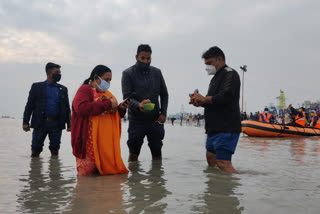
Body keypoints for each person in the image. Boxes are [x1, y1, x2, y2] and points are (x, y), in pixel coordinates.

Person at [189, 46, 241, 174]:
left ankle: (235, 188)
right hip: (213, 128)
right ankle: (215, 189)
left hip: (226, 127)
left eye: (209, 63)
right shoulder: (214, 79)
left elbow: (226, 96)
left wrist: (204, 99)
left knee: (223, 163)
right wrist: (199, 102)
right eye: (205, 64)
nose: (207, 67)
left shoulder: (230, 73)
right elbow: (212, 102)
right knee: (211, 158)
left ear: (219, 59)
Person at [71, 65, 129, 176]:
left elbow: (113, 116)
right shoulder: (85, 89)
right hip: (88, 144)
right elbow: (81, 109)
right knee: (86, 180)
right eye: (106, 79)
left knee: (104, 180)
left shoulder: (107, 94)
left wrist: (121, 108)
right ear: (96, 77)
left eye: (110, 80)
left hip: (103, 146)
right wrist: (107, 104)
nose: (108, 83)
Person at [121, 44, 169, 162]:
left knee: (157, 154)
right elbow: (127, 98)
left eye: (148, 58)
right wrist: (139, 105)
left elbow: (164, 94)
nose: (146, 61)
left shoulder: (157, 72)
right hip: (136, 120)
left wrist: (163, 113)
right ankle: (133, 180)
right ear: (136, 57)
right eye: (143, 58)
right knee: (133, 154)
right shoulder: (127, 73)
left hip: (155, 119)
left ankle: (157, 178)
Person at [23, 62, 71, 157]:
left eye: (60, 72)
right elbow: (29, 106)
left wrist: (69, 124)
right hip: (40, 123)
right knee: (36, 149)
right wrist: (25, 122)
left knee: (55, 149)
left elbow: (66, 108)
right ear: (49, 73)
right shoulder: (37, 87)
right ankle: (35, 170)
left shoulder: (63, 89)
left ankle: (54, 170)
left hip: (56, 124)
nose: (59, 74)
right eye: (57, 72)